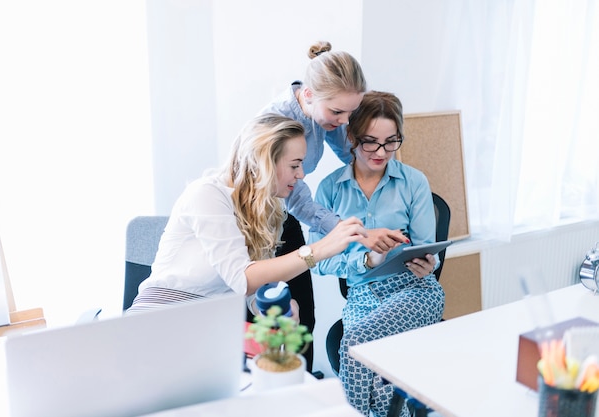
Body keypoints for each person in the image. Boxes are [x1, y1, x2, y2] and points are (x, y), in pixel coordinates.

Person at [126, 114, 368, 329]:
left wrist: (274, 308)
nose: (301, 174)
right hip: (159, 318)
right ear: (265, 164)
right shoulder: (207, 194)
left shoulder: (268, 209)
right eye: (294, 165)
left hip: (208, 325)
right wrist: (319, 249)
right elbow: (243, 279)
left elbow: (251, 290)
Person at [259, 41, 406, 371]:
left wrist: (387, 176)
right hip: (258, 224)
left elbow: (351, 154)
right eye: (337, 112)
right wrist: (354, 233)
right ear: (308, 95)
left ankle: (304, 394)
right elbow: (298, 198)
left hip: (287, 216)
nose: (344, 121)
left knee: (303, 320)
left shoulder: (329, 117)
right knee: (271, 324)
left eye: (351, 112)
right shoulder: (277, 124)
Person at [309, 91, 445, 417]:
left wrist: (428, 263)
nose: (381, 152)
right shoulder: (330, 189)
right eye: (370, 142)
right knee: (379, 378)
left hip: (415, 291)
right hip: (364, 294)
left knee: (353, 344)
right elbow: (319, 260)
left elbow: (429, 249)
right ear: (351, 138)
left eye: (391, 141)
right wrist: (368, 259)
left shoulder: (414, 182)